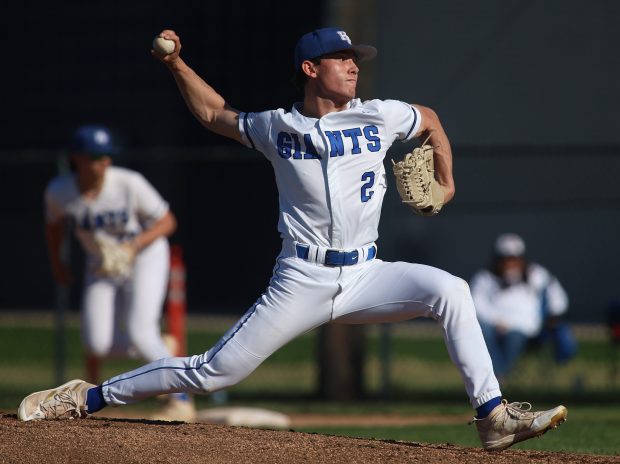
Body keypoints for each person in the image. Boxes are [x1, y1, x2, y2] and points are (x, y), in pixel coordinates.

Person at [19, 28, 567, 451]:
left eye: (356, 60)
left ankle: (493, 417)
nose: (353, 66)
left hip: (366, 274)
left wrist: (447, 185)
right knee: (215, 371)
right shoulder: (278, 127)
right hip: (301, 277)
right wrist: (175, 62)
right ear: (310, 68)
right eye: (341, 59)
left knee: (450, 290)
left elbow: (430, 119)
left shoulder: (380, 116)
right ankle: (84, 397)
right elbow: (214, 113)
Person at [41, 124, 195, 422]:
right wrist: (58, 263)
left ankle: (181, 399)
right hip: (102, 265)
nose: (105, 162)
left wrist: (133, 245)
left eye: (108, 156)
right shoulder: (59, 192)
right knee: (96, 343)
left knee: (141, 331)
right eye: (97, 156)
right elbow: (53, 226)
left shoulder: (128, 183)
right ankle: (159, 349)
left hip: (144, 256)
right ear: (78, 159)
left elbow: (167, 222)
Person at [470, 233, 576, 379]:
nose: (510, 263)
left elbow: (557, 296)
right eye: (506, 259)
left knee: (515, 336)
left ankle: (497, 378)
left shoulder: (536, 274)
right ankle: (491, 378)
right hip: (494, 326)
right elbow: (476, 304)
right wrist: (497, 322)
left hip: (524, 328)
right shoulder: (485, 278)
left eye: (515, 259)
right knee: (482, 332)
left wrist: (553, 316)